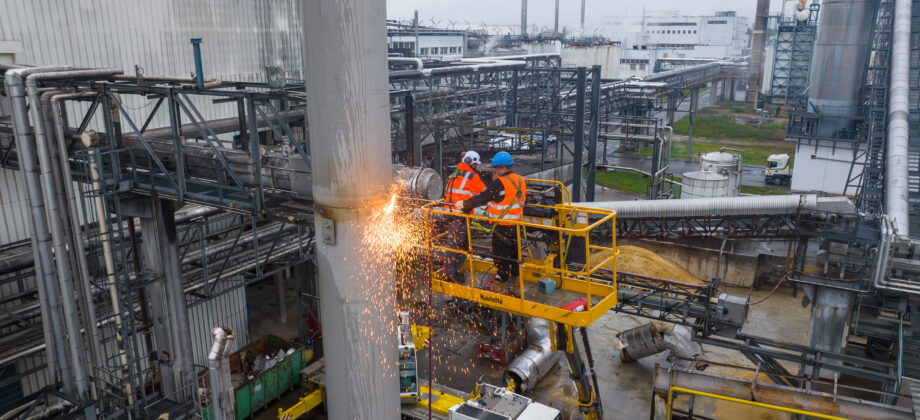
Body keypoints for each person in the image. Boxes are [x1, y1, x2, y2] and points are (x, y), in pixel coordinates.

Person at [455, 151, 526, 295]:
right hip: (517, 228)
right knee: (514, 259)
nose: (495, 172)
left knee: (501, 262)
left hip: (502, 229)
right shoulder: (520, 180)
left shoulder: (500, 183)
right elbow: (522, 201)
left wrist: (464, 204)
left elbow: (482, 197)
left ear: (503, 168)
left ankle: (499, 294)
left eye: (496, 169)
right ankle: (517, 289)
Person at [441, 151, 486, 284]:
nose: (477, 167)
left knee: (463, 246)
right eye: (476, 164)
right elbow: (485, 194)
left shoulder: (453, 174)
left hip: (449, 214)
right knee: (453, 245)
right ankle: (449, 274)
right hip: (460, 217)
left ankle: (453, 270)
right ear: (472, 163)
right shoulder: (472, 177)